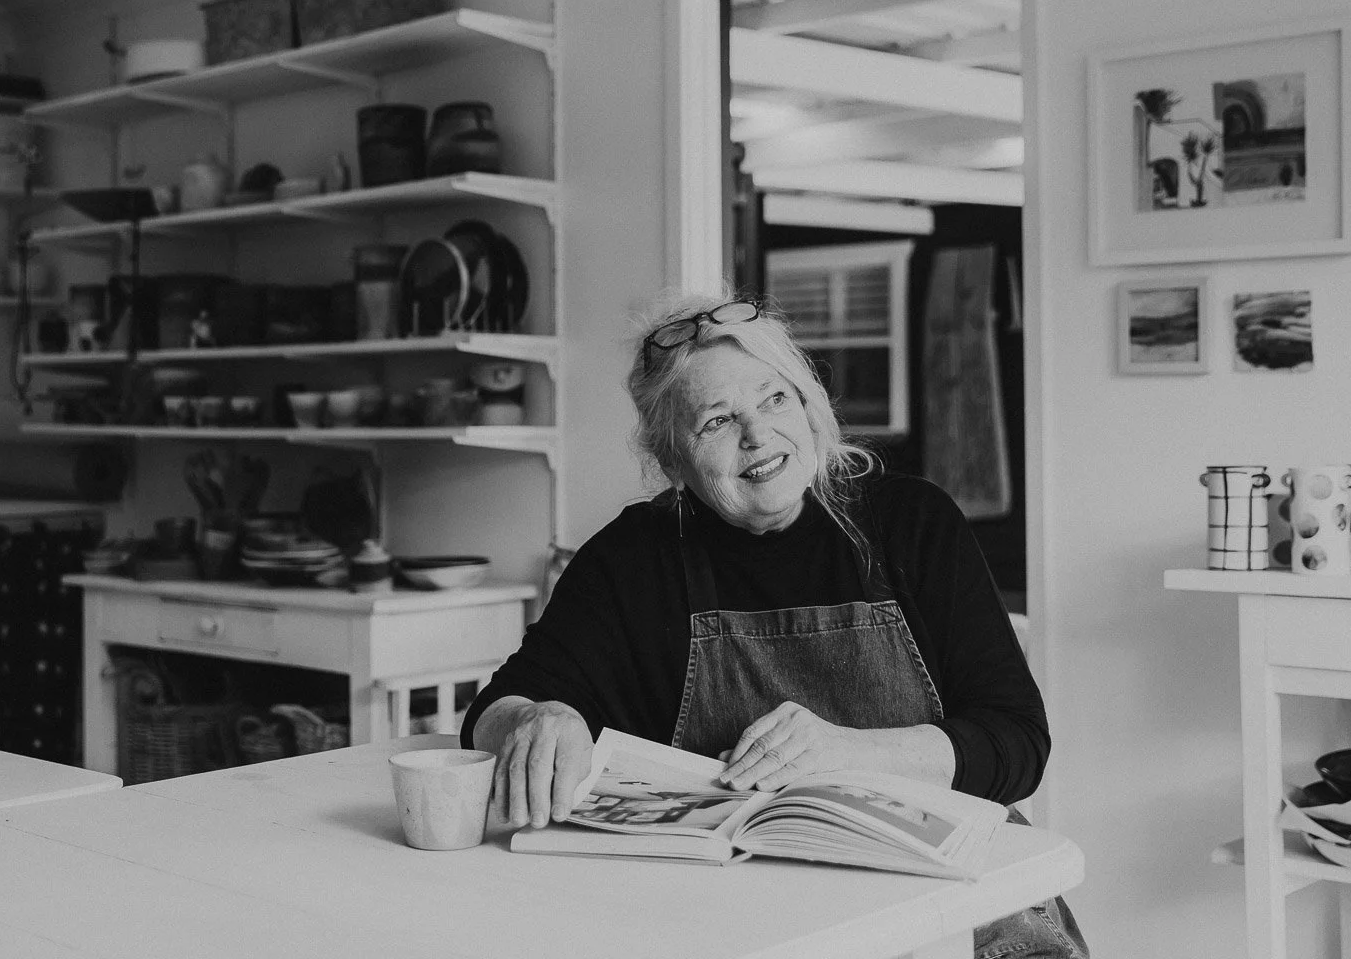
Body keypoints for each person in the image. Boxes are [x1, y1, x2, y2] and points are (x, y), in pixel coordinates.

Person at [462, 291, 1086, 959]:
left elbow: (1017, 744)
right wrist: (535, 718)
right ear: (671, 460)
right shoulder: (634, 559)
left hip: (954, 899)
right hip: (750, 918)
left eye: (775, 399)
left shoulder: (913, 524)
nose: (758, 436)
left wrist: (847, 753)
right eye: (717, 422)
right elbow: (493, 711)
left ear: (810, 403)